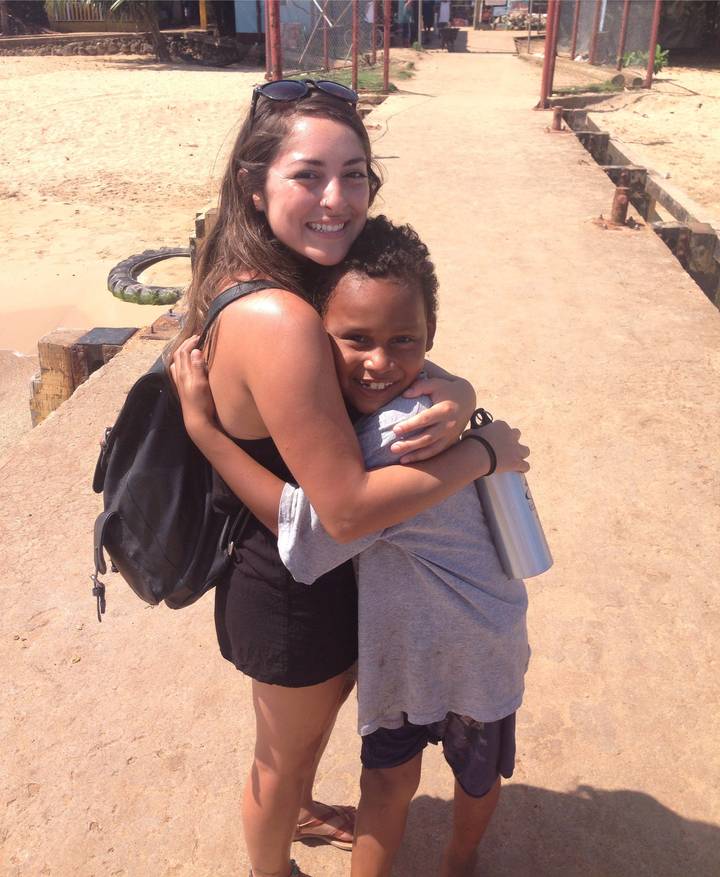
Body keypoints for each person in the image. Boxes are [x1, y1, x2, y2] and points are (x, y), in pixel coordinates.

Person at [168, 80, 524, 877]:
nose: (338, 198)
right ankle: (273, 869)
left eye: (355, 172)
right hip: (292, 579)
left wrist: (455, 389)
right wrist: (484, 452)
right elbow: (349, 508)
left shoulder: (283, 273)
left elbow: (379, 352)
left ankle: (293, 814)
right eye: (308, 174)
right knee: (283, 758)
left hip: (306, 561)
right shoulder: (282, 316)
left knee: (296, 745)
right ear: (254, 184)